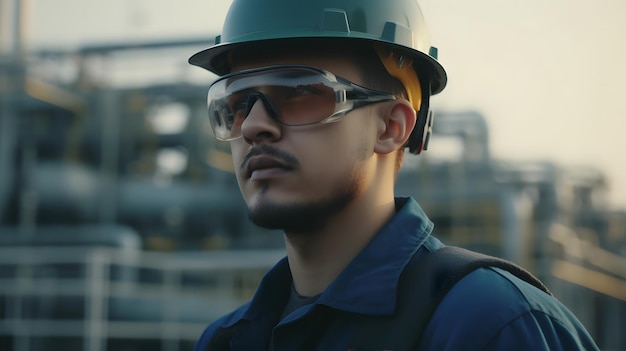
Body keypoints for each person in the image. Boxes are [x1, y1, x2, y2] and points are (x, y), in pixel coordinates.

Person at [188, 0, 599, 350]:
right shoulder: (226, 340)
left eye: (298, 91)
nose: (253, 125)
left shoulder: (492, 325)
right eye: (239, 101)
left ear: (391, 127)